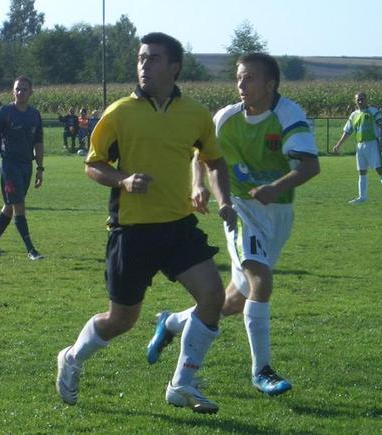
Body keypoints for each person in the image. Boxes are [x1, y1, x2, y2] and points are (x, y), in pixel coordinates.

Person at [55, 33, 236, 414]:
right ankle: (71, 357)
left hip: (178, 226)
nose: (144, 65)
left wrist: (223, 199)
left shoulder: (195, 114)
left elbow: (214, 160)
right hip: (132, 230)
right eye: (141, 58)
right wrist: (123, 180)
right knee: (122, 319)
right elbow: (92, 164)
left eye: (153, 59)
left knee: (212, 297)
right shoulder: (119, 112)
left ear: (174, 67)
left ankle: (182, 383)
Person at [146, 53, 320, 397]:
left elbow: (310, 166)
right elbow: (202, 156)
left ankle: (171, 322)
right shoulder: (226, 118)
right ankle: (262, 371)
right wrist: (199, 185)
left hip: (278, 213)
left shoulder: (288, 114)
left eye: (249, 78)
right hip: (240, 210)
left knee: (232, 303)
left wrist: (275, 188)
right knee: (261, 280)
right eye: (239, 77)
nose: (241, 84)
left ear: (270, 84)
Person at [0, 76, 44, 261]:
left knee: (9, 205)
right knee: (19, 205)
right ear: (12, 91)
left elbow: (39, 142)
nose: (20, 92)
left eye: (24, 89)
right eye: (17, 89)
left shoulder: (34, 114)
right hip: (9, 165)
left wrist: (40, 168)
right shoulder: (4, 112)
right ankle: (31, 250)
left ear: (31, 92)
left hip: (26, 166)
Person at [332, 92, 382, 204]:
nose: (360, 101)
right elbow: (347, 131)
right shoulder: (353, 115)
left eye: (362, 99)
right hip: (360, 145)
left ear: (366, 100)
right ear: (355, 101)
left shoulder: (373, 111)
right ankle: (362, 197)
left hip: (372, 144)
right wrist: (338, 145)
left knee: (379, 169)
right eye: (358, 100)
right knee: (362, 171)